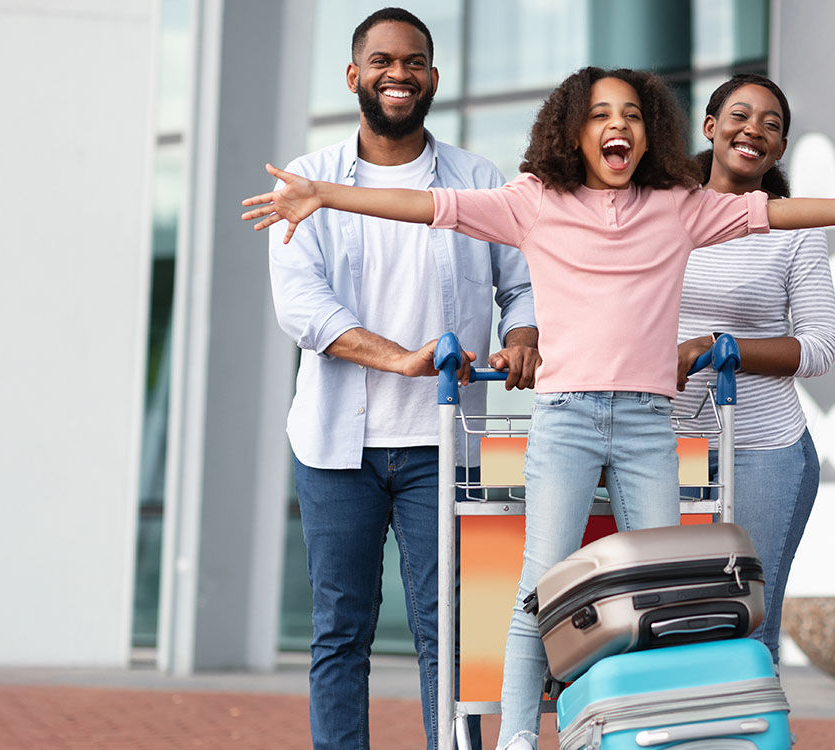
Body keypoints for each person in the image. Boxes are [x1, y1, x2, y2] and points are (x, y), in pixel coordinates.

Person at [242, 65, 835, 750]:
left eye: (632, 115)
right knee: (539, 585)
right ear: (574, 131)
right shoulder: (533, 202)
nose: (619, 126)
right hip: (565, 420)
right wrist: (325, 196)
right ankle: (518, 736)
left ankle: (650, 730)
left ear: (651, 132)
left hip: (647, 424)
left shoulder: (679, 207)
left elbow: (779, 213)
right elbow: (433, 208)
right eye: (602, 114)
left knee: (660, 594)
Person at [264, 8, 538, 750]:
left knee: (450, 634)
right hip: (335, 447)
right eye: (382, 61)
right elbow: (303, 308)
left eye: (414, 62)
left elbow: (522, 284)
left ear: (434, 78)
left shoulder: (478, 180)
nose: (399, 74)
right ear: (354, 76)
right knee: (339, 634)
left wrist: (521, 333)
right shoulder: (309, 181)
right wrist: (399, 358)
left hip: (445, 443)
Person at [674, 73, 832, 666]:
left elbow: (818, 349)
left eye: (772, 126)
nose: (754, 132)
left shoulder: (791, 227)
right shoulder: (661, 212)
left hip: (765, 449)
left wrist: (719, 345)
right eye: (740, 117)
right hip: (662, 443)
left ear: (780, 150)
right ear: (711, 128)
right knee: (671, 621)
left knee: (748, 626)